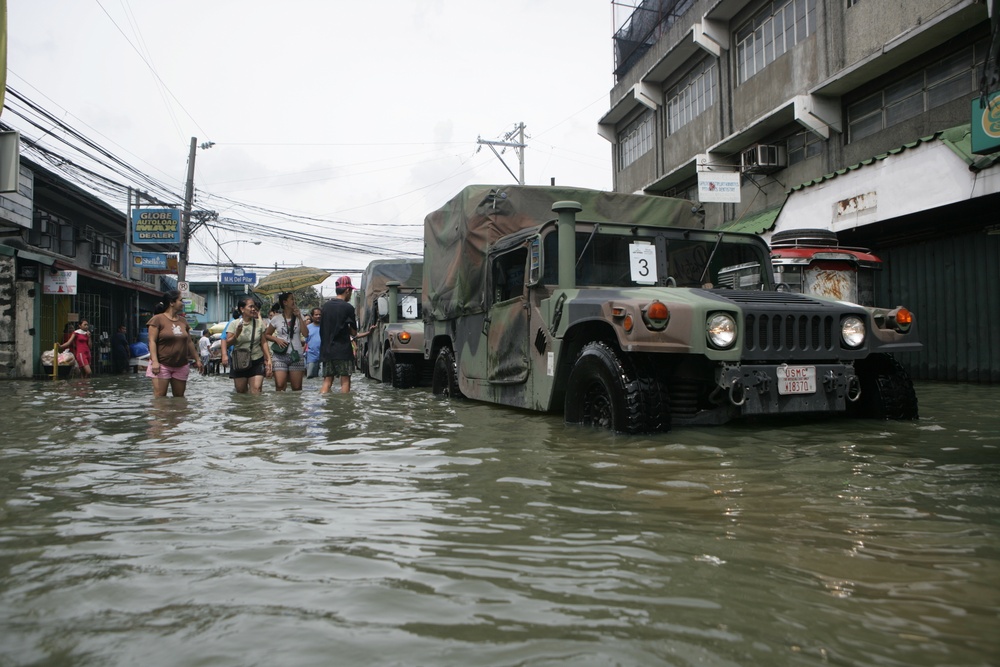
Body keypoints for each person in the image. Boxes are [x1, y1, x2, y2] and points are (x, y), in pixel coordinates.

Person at [319, 276, 374, 394]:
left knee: (327, 381)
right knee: (345, 381)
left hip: (327, 351)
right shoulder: (348, 307)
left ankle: (323, 403)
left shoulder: (326, 307)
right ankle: (345, 408)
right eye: (351, 291)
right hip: (342, 351)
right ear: (347, 290)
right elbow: (354, 332)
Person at [146, 290, 203, 397]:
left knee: (179, 398)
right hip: (162, 364)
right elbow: (152, 341)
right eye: (181, 300)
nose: (183, 303)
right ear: (172, 303)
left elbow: (189, 342)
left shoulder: (183, 321)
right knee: (160, 398)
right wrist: (155, 362)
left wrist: (197, 359)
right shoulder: (157, 319)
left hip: (181, 365)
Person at [224, 297, 272, 394]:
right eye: (250, 307)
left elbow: (263, 342)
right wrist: (237, 333)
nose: (253, 309)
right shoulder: (234, 324)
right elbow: (228, 343)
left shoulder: (259, 323)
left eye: (254, 307)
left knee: (256, 390)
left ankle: (256, 409)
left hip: (257, 360)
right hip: (240, 361)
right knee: (241, 391)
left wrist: (268, 359)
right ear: (242, 309)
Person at [264, 292, 309, 391]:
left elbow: (306, 334)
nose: (294, 301)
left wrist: (299, 317)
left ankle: (295, 406)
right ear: (285, 302)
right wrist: (277, 339)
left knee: (297, 388)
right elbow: (266, 335)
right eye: (292, 299)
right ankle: (281, 406)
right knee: (280, 386)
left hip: (296, 354)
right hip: (280, 355)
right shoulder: (276, 319)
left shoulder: (299, 316)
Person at [305, 306, 323, 379]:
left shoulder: (325, 327)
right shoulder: (308, 328)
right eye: (316, 315)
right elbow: (305, 341)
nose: (318, 316)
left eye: (320, 314)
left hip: (323, 356)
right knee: (310, 377)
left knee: (323, 377)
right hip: (311, 356)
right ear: (312, 316)